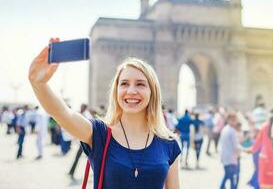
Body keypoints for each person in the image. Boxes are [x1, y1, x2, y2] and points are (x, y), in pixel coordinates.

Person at [28, 38, 181, 189]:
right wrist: (38, 83)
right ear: (116, 91)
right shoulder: (99, 133)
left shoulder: (169, 144)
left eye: (140, 84)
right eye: (124, 84)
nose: (131, 91)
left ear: (152, 92)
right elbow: (62, 113)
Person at [246, 108, 273, 189]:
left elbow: (256, 145)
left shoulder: (264, 127)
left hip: (265, 161)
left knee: (264, 185)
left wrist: (248, 150)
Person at [69, 103, 93, 180]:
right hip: (83, 139)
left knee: (91, 157)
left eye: (82, 107)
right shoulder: (82, 114)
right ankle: (71, 171)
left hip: (87, 140)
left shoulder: (87, 115)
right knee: (78, 156)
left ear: (85, 108)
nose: (80, 108)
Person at [219, 111, 240, 189]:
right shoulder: (232, 131)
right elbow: (236, 146)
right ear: (229, 120)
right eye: (233, 120)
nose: (234, 121)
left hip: (225, 157)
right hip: (231, 158)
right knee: (231, 177)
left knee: (228, 176)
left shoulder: (225, 129)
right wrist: (245, 150)